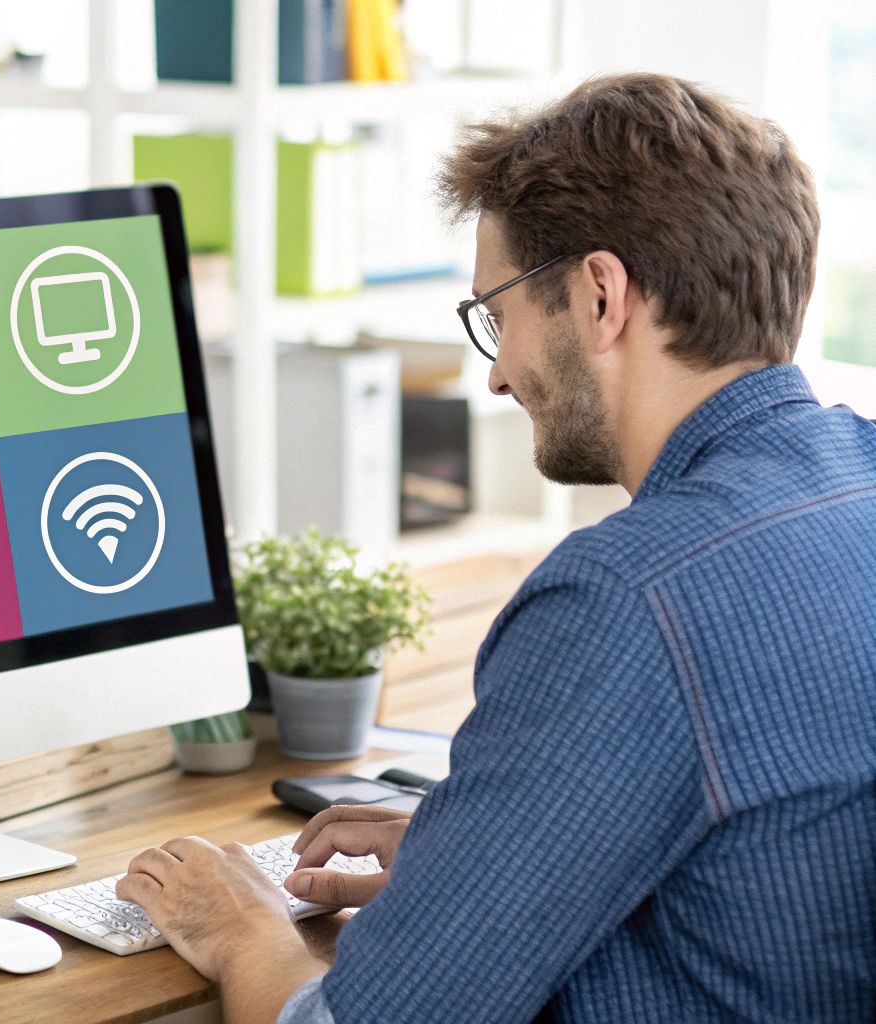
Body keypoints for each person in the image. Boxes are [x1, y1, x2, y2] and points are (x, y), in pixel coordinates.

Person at [116, 73, 876, 1022]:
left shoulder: (625, 598)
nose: (498, 376)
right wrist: (485, 860)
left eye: (499, 314)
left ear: (600, 296)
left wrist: (242, 927)